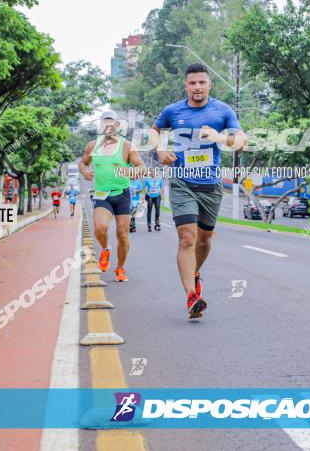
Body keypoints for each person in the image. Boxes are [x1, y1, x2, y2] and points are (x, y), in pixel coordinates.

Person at [153, 63, 246, 318]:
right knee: (187, 238)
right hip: (182, 181)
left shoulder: (222, 110)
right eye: (192, 83)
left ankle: (195, 272)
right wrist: (160, 149)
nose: (197, 87)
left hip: (211, 185)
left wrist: (217, 137)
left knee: (204, 241)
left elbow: (241, 142)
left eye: (201, 82)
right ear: (185, 85)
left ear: (209, 85)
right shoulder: (172, 111)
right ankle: (192, 296)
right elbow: (155, 130)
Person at [80, 110, 145, 283]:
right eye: (105, 122)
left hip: (122, 195)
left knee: (123, 235)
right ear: (101, 126)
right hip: (102, 196)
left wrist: (134, 172)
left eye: (112, 122)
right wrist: (84, 171)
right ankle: (105, 249)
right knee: (100, 229)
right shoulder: (93, 145)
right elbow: (83, 162)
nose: (108, 126)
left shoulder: (126, 145)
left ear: (117, 125)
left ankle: (120, 268)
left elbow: (140, 165)